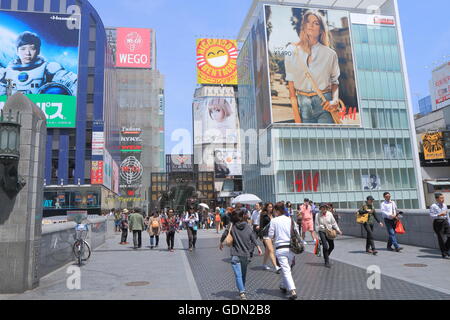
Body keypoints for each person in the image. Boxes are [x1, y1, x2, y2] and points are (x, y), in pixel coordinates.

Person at [285, 10, 340, 125]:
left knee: (326, 141)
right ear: (304, 25)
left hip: (324, 105)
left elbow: (335, 82)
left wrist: (334, 100)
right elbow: (291, 84)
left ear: (321, 29)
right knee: (308, 142)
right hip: (303, 105)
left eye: (316, 23)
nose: (310, 25)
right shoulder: (291, 50)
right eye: (308, 22)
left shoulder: (330, 54)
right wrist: (296, 116)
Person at [0, 31, 77, 96]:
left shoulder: (49, 69)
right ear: (17, 51)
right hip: (12, 111)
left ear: (38, 51)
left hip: (41, 111)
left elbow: (75, 84)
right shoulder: (5, 73)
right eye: (23, 49)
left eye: (32, 48)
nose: (27, 53)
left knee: (56, 91)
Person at [220, 208, 263, 300]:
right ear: (242, 216)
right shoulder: (247, 226)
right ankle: (242, 290)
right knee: (243, 274)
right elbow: (253, 237)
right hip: (245, 254)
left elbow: (224, 234)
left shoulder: (231, 225)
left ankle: (242, 291)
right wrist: (258, 247)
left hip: (235, 254)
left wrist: (221, 243)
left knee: (238, 275)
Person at [268, 202, 299, 300]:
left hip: (280, 248)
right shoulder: (290, 219)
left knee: (286, 270)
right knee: (287, 269)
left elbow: (270, 235)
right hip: (291, 248)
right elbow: (296, 232)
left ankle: (293, 291)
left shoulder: (274, 221)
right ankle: (283, 285)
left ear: (277, 210)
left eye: (274, 211)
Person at [315, 203, 342, 268]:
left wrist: (338, 230)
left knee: (332, 246)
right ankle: (326, 261)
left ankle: (326, 255)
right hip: (322, 231)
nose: (323, 209)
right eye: (322, 208)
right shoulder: (317, 215)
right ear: (320, 208)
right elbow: (316, 225)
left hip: (329, 231)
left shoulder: (329, 214)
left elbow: (333, 223)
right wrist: (317, 234)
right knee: (325, 246)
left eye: (325, 207)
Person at [259, 202, 281, 272]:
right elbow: (261, 225)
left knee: (267, 251)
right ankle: (276, 266)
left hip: (271, 235)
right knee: (271, 250)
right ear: (266, 207)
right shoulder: (263, 215)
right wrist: (261, 236)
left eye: (271, 207)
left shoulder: (273, 215)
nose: (271, 208)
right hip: (265, 234)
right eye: (269, 207)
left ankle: (264, 264)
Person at [429, 193, 450, 259]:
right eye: (441, 198)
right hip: (438, 222)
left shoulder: (444, 205)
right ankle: (444, 253)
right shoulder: (433, 206)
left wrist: (449, 222)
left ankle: (446, 250)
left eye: (443, 198)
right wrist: (439, 215)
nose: (443, 199)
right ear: (437, 199)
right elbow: (431, 216)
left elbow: (447, 215)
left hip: (445, 221)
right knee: (441, 238)